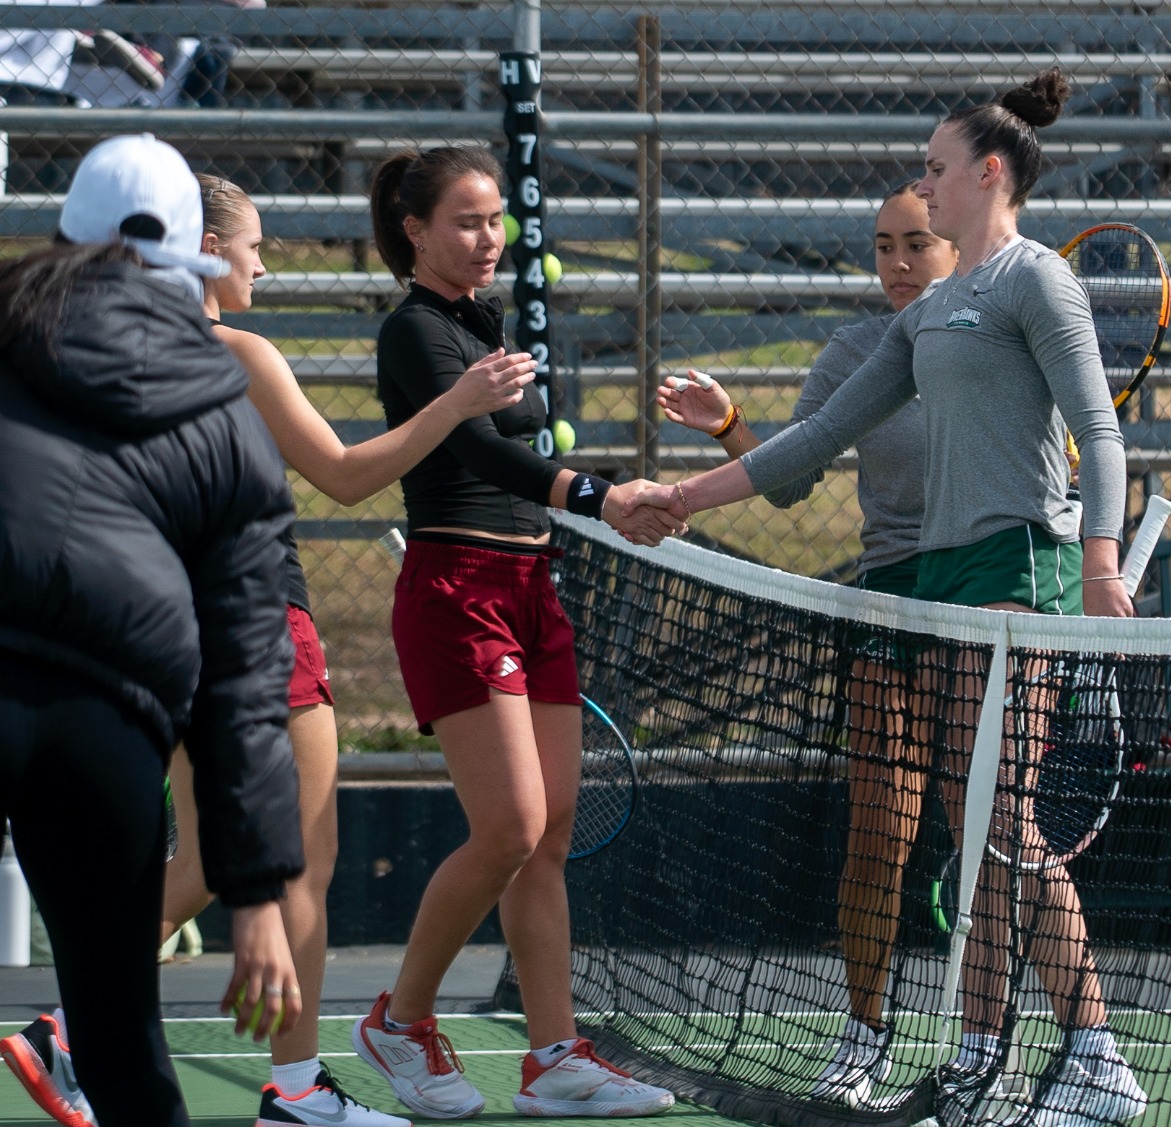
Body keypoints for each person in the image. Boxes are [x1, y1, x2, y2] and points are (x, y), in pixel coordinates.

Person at [635, 69, 1149, 1127]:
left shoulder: (1034, 281)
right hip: (940, 577)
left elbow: (1098, 430)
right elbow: (814, 441)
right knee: (977, 830)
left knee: (998, 822)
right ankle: (979, 1054)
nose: (922, 185)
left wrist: (1098, 560)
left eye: (934, 168)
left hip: (1021, 562)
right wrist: (681, 494)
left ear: (986, 175)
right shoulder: (929, 317)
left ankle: (1095, 1055)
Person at [145, 173, 538, 1127]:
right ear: (201, 245)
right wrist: (457, 404)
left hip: (157, 629)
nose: (265, 264)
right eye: (252, 247)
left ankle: (77, 1025)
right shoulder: (237, 353)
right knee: (303, 861)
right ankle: (290, 1088)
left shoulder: (102, 359)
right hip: (256, 620)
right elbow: (347, 475)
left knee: (202, 859)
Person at [348, 144, 676, 1120]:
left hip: (534, 586)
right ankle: (399, 1021)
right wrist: (598, 493)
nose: (486, 238)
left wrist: (615, 497)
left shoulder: (478, 326)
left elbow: (521, 461)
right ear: (414, 229)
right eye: (464, 220)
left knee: (550, 835)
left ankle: (552, 1054)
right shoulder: (415, 331)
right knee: (508, 827)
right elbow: (483, 456)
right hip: (457, 588)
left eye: (495, 220)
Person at [0, 133, 302, 1127]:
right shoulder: (228, 415)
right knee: (125, 1049)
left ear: (62, 235)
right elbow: (245, 676)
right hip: (106, 718)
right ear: (196, 260)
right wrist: (255, 892)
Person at [654, 180, 957, 1109]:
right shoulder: (857, 351)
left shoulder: (1000, 343)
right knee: (880, 833)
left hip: (988, 605)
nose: (898, 263)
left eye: (918, 243)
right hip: (887, 610)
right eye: (883, 246)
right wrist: (733, 430)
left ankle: (997, 1040)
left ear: (959, 247)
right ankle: (865, 1036)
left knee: (992, 835)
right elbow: (792, 482)